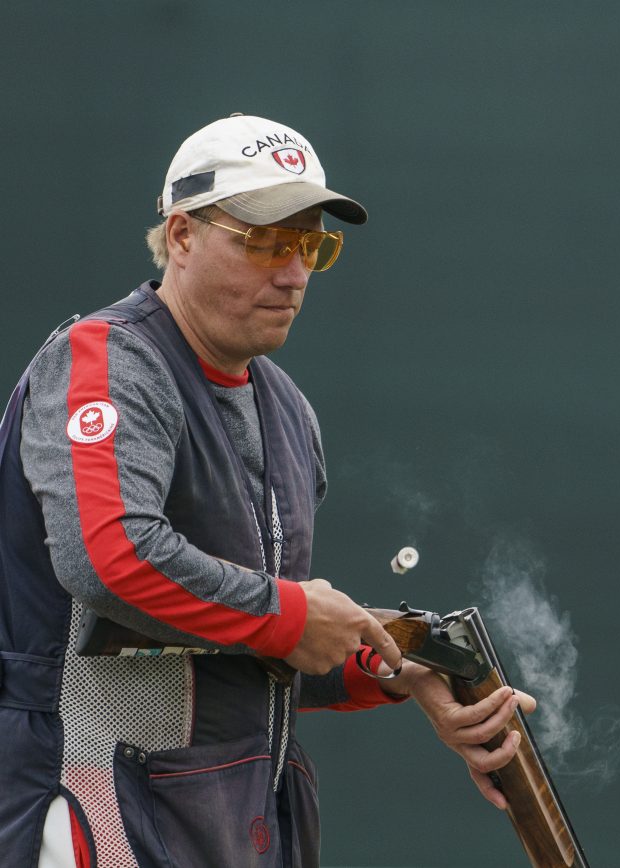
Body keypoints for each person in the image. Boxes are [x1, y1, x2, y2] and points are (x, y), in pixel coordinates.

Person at [0, 114, 535, 868]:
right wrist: (291, 616)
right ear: (181, 235)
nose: (293, 273)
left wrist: (387, 668)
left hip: (239, 815)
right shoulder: (108, 358)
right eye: (266, 241)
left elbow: (229, 653)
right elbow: (110, 556)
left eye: (310, 244)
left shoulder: (286, 408)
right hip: (93, 804)